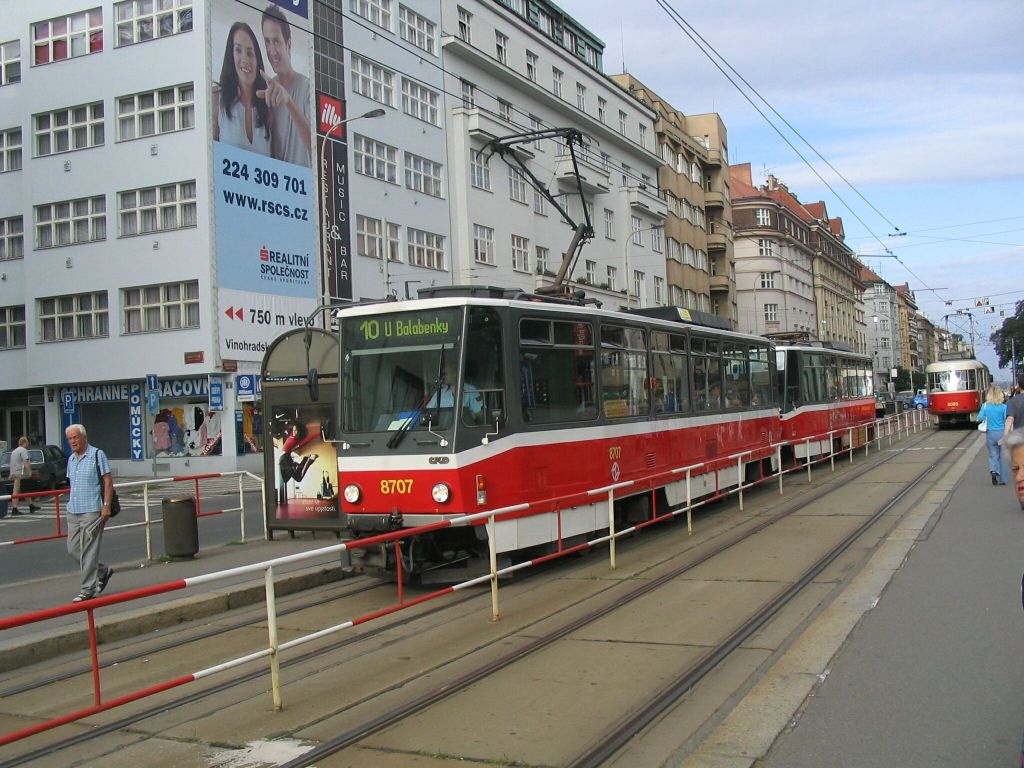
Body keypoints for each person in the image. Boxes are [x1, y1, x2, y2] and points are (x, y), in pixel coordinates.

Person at [64, 424, 114, 602]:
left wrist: (106, 505)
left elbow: (107, 481)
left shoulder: (96, 455)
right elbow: (73, 484)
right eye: (70, 439)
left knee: (89, 551)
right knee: (73, 549)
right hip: (73, 511)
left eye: (76, 437)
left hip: (92, 511)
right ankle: (102, 570)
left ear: (84, 437)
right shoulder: (71, 459)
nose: (73, 441)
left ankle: (88, 590)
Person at [261, 5, 312, 165]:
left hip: (305, 185)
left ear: (288, 44)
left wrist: (288, 102)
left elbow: (317, 146)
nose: (272, 51)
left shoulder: (307, 87)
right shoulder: (266, 90)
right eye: (267, 42)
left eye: (276, 41)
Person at [212, 22, 272, 156]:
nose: (245, 59)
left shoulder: (267, 110)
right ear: (231, 55)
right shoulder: (217, 99)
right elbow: (209, 159)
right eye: (238, 50)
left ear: (257, 61)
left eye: (250, 53)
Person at [977, 385, 1008, 485]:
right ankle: (1003, 479)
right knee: (1002, 457)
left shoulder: (985, 406)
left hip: (990, 434)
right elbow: (1006, 419)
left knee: (993, 455)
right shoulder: (1004, 407)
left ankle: (993, 470)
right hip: (1002, 433)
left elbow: (979, 418)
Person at [8, 436, 38, 515]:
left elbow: (11, 463)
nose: (28, 443)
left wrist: (11, 473)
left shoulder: (14, 451)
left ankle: (31, 506)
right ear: (24, 442)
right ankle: (14, 509)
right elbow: (25, 462)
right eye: (27, 442)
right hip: (20, 473)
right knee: (16, 491)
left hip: (15, 473)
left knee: (25, 489)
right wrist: (30, 471)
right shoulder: (23, 450)